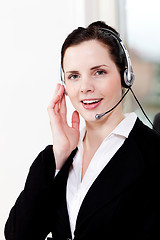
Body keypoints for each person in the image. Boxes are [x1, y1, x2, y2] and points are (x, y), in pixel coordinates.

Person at [5, 21, 160, 240]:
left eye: (99, 72)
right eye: (74, 76)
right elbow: (17, 234)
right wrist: (59, 153)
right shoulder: (61, 156)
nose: (85, 87)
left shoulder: (152, 153)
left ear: (126, 76)